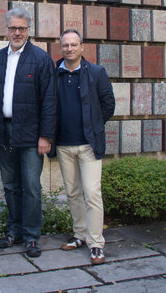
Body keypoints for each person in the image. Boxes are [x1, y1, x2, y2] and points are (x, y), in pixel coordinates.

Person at [0, 8, 56, 258]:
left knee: (31, 187)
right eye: (13, 28)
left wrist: (45, 136)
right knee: (10, 185)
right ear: (6, 30)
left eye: (22, 28)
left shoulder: (40, 59)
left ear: (29, 30)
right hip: (3, 132)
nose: (17, 33)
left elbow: (50, 100)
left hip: (31, 134)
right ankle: (14, 231)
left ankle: (31, 236)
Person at [55, 29, 115, 265]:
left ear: (82, 47)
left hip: (89, 145)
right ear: (61, 48)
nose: (69, 49)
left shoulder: (97, 72)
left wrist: (94, 126)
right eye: (65, 45)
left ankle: (96, 243)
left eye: (74, 44)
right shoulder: (54, 72)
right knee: (72, 193)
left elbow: (108, 104)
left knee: (92, 194)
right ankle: (79, 234)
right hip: (63, 145)